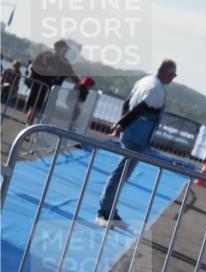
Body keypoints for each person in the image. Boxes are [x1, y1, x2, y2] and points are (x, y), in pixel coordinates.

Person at [96, 59, 177, 226]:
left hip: (131, 134)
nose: (172, 79)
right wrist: (121, 125)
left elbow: (127, 103)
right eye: (173, 75)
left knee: (120, 174)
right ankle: (105, 212)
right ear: (167, 73)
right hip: (137, 138)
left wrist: (122, 124)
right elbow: (139, 110)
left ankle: (109, 210)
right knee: (120, 175)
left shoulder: (144, 81)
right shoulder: (156, 89)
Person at [26, 39, 79, 124]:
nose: (66, 51)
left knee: (49, 110)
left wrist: (81, 85)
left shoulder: (65, 62)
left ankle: (42, 129)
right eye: (64, 49)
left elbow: (73, 76)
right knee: (34, 107)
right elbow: (33, 67)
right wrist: (46, 70)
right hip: (39, 86)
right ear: (57, 48)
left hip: (53, 90)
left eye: (66, 50)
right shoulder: (45, 55)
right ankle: (29, 125)